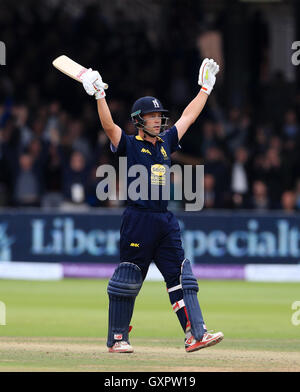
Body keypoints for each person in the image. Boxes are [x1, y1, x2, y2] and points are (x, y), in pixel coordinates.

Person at [81, 58, 224, 353]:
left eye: (159, 115)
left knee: (181, 276)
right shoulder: (130, 144)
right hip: (138, 219)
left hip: (164, 220)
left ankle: (196, 333)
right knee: (128, 279)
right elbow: (108, 126)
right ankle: (118, 338)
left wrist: (205, 90)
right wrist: (99, 95)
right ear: (138, 120)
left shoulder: (165, 142)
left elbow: (188, 117)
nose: (158, 120)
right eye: (152, 116)